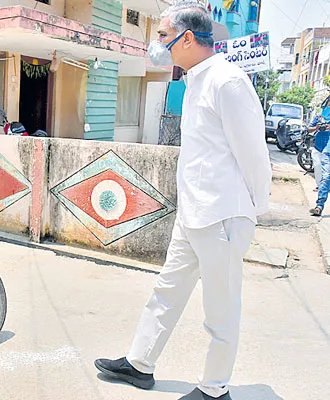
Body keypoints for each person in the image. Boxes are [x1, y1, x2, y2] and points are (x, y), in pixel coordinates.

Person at [94, 3, 272, 400]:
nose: (158, 45)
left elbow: (254, 155)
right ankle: (140, 365)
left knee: (221, 310)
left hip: (223, 216)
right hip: (193, 214)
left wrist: (253, 212)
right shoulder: (196, 80)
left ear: (187, 38)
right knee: (166, 291)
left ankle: (214, 389)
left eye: (162, 35)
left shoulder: (228, 82)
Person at [309, 99, 330, 216]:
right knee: (326, 177)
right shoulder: (320, 117)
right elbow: (309, 128)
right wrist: (318, 127)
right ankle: (319, 206)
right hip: (325, 150)